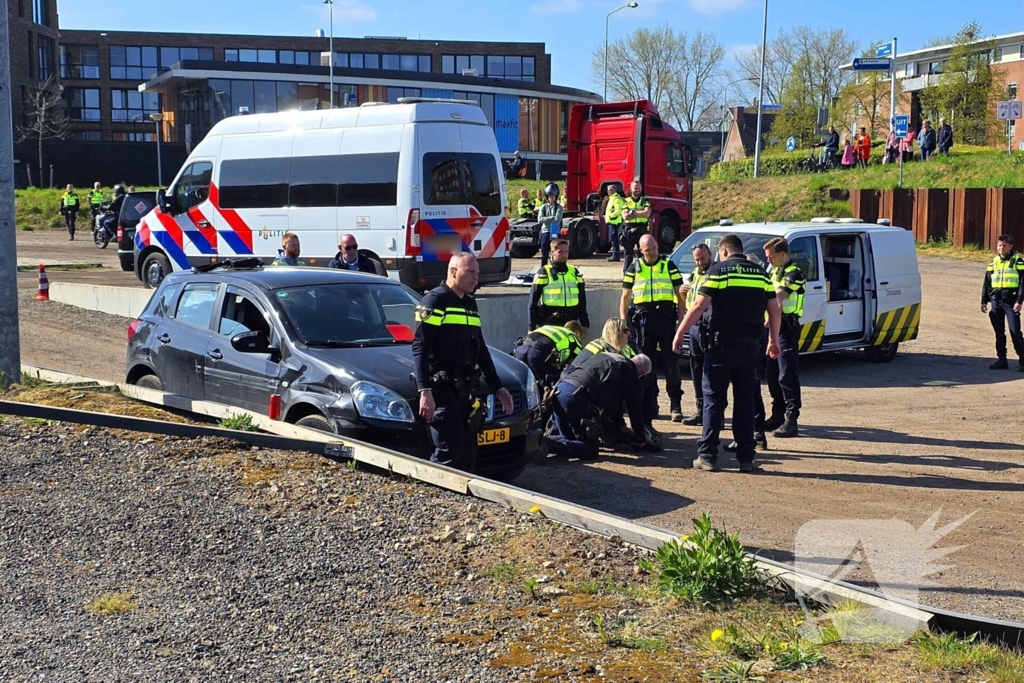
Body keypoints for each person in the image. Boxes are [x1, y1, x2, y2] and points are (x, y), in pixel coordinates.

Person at [672, 234, 781, 472]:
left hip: (720, 348)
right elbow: (775, 310)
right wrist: (773, 340)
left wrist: (680, 332)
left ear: (723, 251)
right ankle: (745, 458)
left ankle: (708, 457)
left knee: (713, 401)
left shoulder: (719, 271)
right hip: (750, 348)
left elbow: (699, 305)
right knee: (745, 401)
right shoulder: (761, 274)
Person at [413, 253, 514, 471]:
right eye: (470, 272)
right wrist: (425, 391)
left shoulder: (469, 303)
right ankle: (433, 495)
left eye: (477, 273)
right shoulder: (434, 301)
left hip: (466, 389)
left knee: (468, 451)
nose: (476, 277)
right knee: (450, 449)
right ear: (453, 272)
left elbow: (481, 350)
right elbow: (420, 347)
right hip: (442, 390)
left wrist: (498, 388)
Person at [620, 234, 686, 422]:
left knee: (671, 363)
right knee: (645, 365)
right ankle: (651, 404)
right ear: (641, 250)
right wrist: (624, 322)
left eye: (654, 248)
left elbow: (679, 294)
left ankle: (676, 405)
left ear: (657, 246)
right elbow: (625, 297)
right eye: (647, 250)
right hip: (643, 321)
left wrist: (681, 320)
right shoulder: (635, 267)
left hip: (665, 318)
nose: (651, 252)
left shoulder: (668, 265)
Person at [548, 352, 652, 460]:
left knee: (570, 438)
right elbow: (635, 409)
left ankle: (545, 443)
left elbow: (613, 403)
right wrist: (641, 440)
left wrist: (622, 426)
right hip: (576, 396)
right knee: (590, 450)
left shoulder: (610, 357)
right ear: (641, 373)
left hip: (559, 391)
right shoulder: (630, 374)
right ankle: (551, 444)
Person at [762, 237, 806, 438]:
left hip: (787, 328)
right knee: (771, 374)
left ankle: (791, 419)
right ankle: (777, 415)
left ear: (782, 254)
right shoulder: (773, 270)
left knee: (786, 374)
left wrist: (769, 308)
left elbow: (779, 296)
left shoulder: (795, 273)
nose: (768, 261)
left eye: (771, 257)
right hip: (772, 327)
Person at [680, 243, 713, 425]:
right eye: (697, 259)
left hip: (709, 326)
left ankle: (713, 411)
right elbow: (690, 303)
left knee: (710, 371)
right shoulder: (695, 273)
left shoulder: (715, 272)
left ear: (710, 254)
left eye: (702, 258)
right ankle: (700, 409)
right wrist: (684, 294)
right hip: (695, 326)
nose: (700, 262)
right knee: (696, 368)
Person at [529, 238, 590, 334]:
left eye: (566, 251)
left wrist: (585, 324)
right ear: (552, 252)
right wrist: (531, 327)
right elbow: (532, 302)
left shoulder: (574, 272)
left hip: (571, 323)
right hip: (550, 323)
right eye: (560, 252)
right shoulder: (544, 272)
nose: (564, 255)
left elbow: (582, 301)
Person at [982, 235, 1024, 371]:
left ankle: (1023, 360)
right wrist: (984, 300)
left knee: (1015, 331)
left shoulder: (1017, 260)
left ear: (1010, 246)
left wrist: (1019, 301)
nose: (1001, 248)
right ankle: (1002, 360)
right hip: (996, 301)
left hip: (1011, 302)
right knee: (999, 333)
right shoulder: (994, 262)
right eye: (1000, 245)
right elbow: (987, 282)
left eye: (1004, 245)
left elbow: (1023, 283)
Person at [513, 321, 583, 390]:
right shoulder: (572, 337)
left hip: (521, 349)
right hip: (538, 354)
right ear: (576, 333)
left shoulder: (548, 327)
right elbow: (574, 365)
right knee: (544, 389)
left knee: (520, 385)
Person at [620, 181, 652, 271]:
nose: (637, 190)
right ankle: (627, 274)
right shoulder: (625, 201)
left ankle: (643, 272)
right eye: (635, 188)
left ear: (641, 188)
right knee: (628, 255)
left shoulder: (645, 200)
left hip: (641, 229)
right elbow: (625, 216)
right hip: (628, 229)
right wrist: (640, 213)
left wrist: (633, 212)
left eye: (639, 188)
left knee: (643, 253)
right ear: (631, 189)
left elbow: (647, 213)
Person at [536, 183, 563, 269]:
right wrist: (551, 217)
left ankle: (555, 269)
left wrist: (546, 219)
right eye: (549, 195)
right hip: (545, 231)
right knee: (544, 253)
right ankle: (543, 270)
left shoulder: (559, 207)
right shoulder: (543, 207)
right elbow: (539, 220)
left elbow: (557, 221)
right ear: (547, 196)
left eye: (553, 195)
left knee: (555, 252)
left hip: (554, 231)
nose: (551, 197)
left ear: (556, 196)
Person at [604, 183, 626, 262]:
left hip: (614, 222)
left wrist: (611, 216)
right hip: (611, 222)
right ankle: (614, 255)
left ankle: (616, 256)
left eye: (610, 190)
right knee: (613, 239)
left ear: (614, 190)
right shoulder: (611, 198)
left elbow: (618, 210)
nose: (608, 191)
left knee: (614, 239)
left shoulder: (616, 199)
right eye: (608, 190)